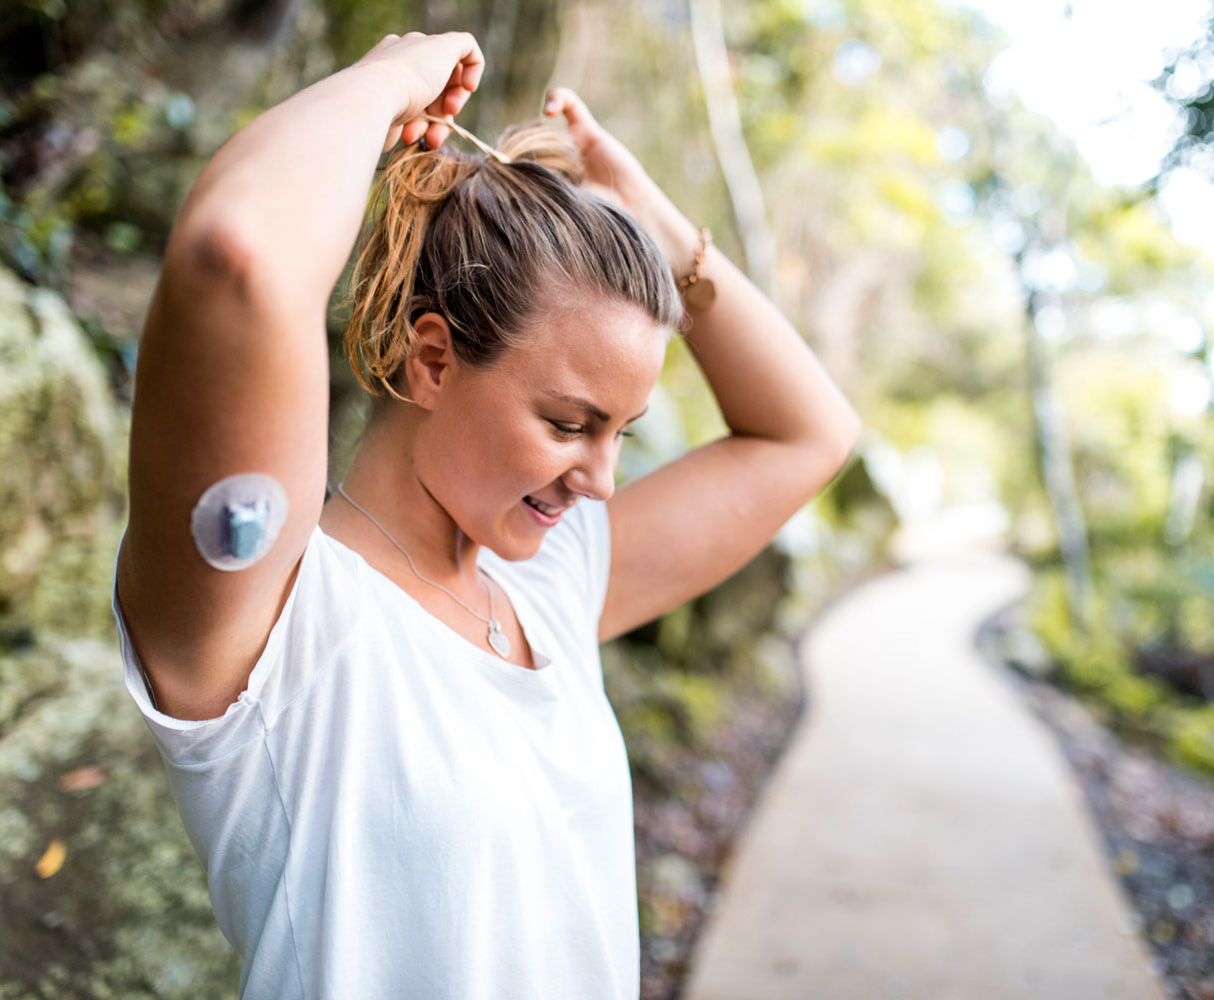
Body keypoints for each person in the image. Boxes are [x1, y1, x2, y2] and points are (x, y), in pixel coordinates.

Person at [111, 29, 861, 1000]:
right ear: (431, 359)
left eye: (620, 432)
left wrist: (666, 238)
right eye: (566, 422)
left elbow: (809, 435)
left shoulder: (546, 584)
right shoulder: (272, 617)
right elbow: (237, 255)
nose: (597, 477)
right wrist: (387, 80)